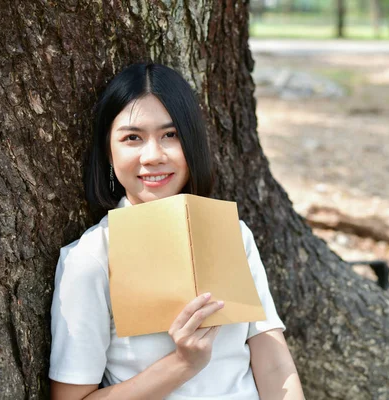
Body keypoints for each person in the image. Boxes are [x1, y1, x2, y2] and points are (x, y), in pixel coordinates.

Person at [49, 63, 305, 400]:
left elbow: (273, 363)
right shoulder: (92, 258)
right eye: (132, 138)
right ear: (109, 153)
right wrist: (182, 364)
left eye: (170, 135)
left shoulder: (229, 233)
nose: (153, 155)